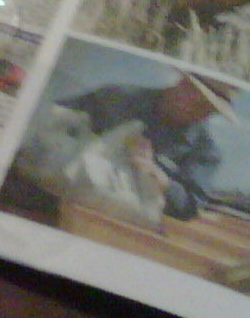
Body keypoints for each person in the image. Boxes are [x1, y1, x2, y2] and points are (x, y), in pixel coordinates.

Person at [56, 69, 234, 219]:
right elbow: (52, 117)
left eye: (212, 111)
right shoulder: (116, 96)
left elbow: (190, 208)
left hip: (120, 221)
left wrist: (155, 175)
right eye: (201, 104)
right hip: (60, 193)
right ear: (183, 84)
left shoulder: (205, 152)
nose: (202, 116)